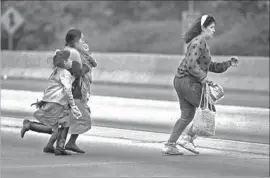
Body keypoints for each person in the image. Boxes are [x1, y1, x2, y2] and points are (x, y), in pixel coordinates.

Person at [162, 14, 239, 155]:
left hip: (180, 81)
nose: (214, 30)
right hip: (188, 81)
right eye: (211, 27)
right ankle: (187, 138)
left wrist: (228, 63)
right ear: (203, 28)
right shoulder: (199, 42)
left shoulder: (199, 42)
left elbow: (212, 66)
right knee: (207, 109)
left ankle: (170, 145)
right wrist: (203, 79)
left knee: (187, 115)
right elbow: (191, 64)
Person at [20, 50, 82, 156]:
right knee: (59, 127)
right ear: (65, 61)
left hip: (52, 102)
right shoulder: (65, 73)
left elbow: (54, 88)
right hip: (57, 103)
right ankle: (30, 125)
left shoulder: (56, 71)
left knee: (61, 125)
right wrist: (73, 105)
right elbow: (67, 90)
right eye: (69, 59)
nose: (71, 61)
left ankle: (51, 146)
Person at [63, 29, 97, 153]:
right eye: (81, 39)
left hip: (73, 91)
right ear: (75, 41)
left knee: (69, 119)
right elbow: (76, 73)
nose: (84, 42)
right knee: (83, 119)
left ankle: (64, 143)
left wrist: (89, 61)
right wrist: (87, 67)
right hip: (74, 91)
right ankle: (66, 143)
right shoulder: (73, 53)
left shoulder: (76, 52)